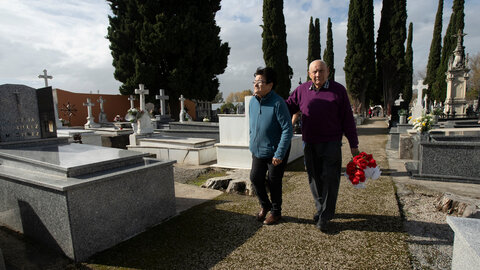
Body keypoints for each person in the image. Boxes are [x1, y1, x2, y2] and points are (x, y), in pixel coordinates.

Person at [285, 60, 359, 232]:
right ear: (309, 74)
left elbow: (348, 120)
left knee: (331, 179)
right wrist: (270, 101)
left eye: (321, 71)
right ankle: (321, 208)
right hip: (309, 143)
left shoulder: (338, 90)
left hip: (331, 143)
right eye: (314, 72)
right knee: (314, 178)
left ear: (328, 72)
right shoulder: (302, 90)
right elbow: (288, 106)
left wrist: (353, 145)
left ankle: (325, 215)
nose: (317, 75)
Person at [249, 66, 293, 225]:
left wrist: (279, 153)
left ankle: (276, 212)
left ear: (270, 85)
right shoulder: (252, 102)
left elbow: (288, 128)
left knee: (274, 181)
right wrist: (251, 142)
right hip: (258, 150)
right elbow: (252, 125)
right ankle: (265, 205)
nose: (256, 85)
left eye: (260, 82)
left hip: (275, 151)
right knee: (255, 177)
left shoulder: (278, 103)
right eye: (255, 81)